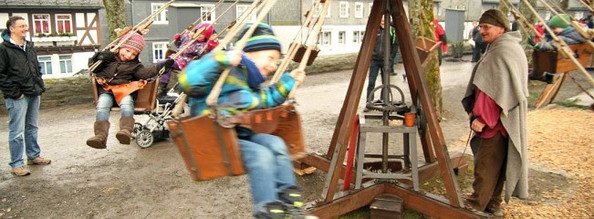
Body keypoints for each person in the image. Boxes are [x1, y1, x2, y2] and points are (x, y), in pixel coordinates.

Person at [179, 23, 313, 218]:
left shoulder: (251, 82)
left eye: (276, 61)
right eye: (271, 58)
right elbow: (188, 80)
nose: (274, 65)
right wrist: (220, 60)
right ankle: (267, 210)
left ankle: (291, 204)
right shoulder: (223, 69)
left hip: (241, 135)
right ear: (249, 53)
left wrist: (288, 82)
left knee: (276, 143)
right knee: (261, 154)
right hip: (214, 136)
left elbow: (265, 101)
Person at [461, 9, 529, 217]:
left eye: (486, 27)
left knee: (485, 166)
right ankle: (493, 204)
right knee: (498, 166)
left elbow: (493, 93)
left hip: (493, 123)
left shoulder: (501, 52)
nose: (482, 31)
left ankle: (474, 207)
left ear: (501, 28)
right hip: (503, 123)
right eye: (481, 27)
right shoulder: (507, 48)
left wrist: (482, 118)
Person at [86, 32, 173, 149]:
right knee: (102, 105)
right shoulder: (108, 60)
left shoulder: (135, 65)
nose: (129, 56)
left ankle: (126, 131)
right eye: (127, 51)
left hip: (124, 91)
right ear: (120, 46)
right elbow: (93, 68)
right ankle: (100, 136)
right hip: (107, 91)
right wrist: (98, 57)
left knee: (127, 104)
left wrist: (160, 67)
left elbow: (145, 74)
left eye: (133, 54)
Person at [0, 16, 51, 176]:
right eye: (21, 26)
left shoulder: (28, 46)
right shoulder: (4, 49)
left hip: (34, 91)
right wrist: (15, 93)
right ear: (12, 29)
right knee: (17, 131)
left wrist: (39, 84)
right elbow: (1, 74)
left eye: (25, 26)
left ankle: (33, 155)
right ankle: (17, 164)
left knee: (32, 126)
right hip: (17, 96)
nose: (25, 28)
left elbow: (35, 66)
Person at [158, 22, 219, 98]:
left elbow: (198, 51)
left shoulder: (202, 45)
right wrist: (178, 39)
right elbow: (179, 45)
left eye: (203, 34)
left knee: (166, 63)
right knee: (162, 64)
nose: (200, 35)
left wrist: (209, 44)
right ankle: (160, 85)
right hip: (176, 57)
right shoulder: (188, 37)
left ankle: (162, 89)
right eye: (198, 32)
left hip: (185, 61)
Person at [364, 16, 398, 111]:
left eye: (384, 20)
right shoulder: (375, 30)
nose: (383, 22)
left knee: (385, 82)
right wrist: (370, 56)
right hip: (374, 60)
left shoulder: (392, 31)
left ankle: (384, 102)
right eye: (381, 20)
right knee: (371, 82)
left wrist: (390, 58)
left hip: (385, 60)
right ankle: (369, 102)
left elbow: (395, 45)